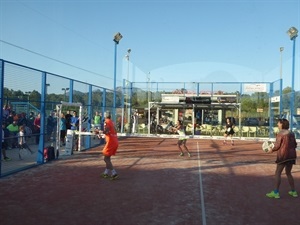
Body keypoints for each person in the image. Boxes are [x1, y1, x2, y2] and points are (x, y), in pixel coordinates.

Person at [266, 118, 298, 199]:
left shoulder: (280, 133)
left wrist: (271, 150)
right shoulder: (291, 133)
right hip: (292, 155)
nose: (277, 124)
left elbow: (277, 146)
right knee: (288, 173)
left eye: (278, 123)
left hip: (283, 156)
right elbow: (295, 144)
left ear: (282, 124)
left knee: (278, 173)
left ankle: (276, 192)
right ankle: (293, 191)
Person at [100, 113, 119, 180]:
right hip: (115, 141)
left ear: (105, 116)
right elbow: (113, 131)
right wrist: (104, 135)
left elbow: (107, 130)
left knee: (106, 159)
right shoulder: (112, 122)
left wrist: (100, 132)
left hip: (111, 142)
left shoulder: (106, 122)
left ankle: (114, 173)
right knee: (108, 158)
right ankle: (106, 172)